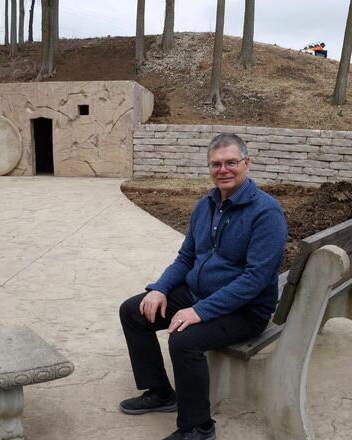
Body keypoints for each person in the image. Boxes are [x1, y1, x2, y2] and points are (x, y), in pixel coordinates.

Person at [118, 133, 288, 440]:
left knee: (184, 340)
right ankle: (160, 392)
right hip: (200, 293)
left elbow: (255, 279)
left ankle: (198, 427)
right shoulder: (205, 205)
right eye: (216, 164)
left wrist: (200, 311)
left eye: (231, 162)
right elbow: (186, 257)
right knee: (134, 311)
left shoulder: (266, 213)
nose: (223, 170)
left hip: (245, 311)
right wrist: (160, 288)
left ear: (246, 164)